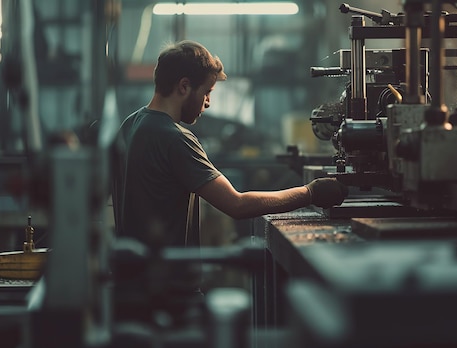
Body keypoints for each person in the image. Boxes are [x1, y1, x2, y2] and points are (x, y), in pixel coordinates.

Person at [111, 40, 348, 249]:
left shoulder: (130, 124)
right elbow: (237, 204)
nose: (208, 102)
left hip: (132, 278)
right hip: (170, 287)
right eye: (207, 92)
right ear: (184, 86)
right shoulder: (175, 138)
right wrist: (310, 192)